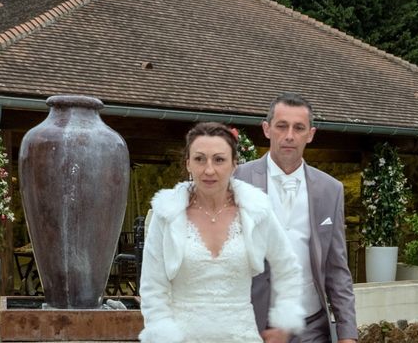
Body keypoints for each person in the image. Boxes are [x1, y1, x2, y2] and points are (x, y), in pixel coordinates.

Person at [139, 122, 306, 343]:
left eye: (219, 159)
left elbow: (288, 267)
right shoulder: (166, 215)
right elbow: (153, 286)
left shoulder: (256, 212)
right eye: (199, 159)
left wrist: (284, 321)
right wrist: (162, 332)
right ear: (188, 163)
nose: (209, 170)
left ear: (234, 164)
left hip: (241, 335)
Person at [235, 93, 358, 343]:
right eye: (282, 126)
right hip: (254, 327)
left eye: (298, 128)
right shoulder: (237, 181)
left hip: (311, 326)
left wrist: (348, 335)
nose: (289, 135)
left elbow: (337, 270)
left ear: (310, 134)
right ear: (267, 129)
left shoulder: (330, 190)